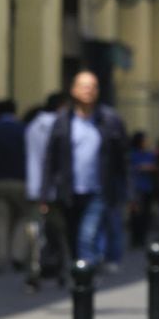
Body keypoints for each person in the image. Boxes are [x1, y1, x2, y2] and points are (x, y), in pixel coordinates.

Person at [41, 71, 128, 269]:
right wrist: (45, 194)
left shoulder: (109, 120)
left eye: (93, 86)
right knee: (72, 236)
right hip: (69, 192)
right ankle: (80, 272)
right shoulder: (63, 120)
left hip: (98, 190)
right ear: (73, 90)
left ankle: (87, 274)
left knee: (87, 235)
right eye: (84, 86)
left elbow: (123, 158)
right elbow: (50, 159)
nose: (88, 90)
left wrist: (128, 191)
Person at [24, 93, 68, 290]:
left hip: (34, 188)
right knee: (60, 233)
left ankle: (33, 274)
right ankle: (63, 271)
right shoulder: (60, 125)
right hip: (54, 190)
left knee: (35, 234)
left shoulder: (32, 126)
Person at [0, 99, 27, 272]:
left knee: (0, 220)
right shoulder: (22, 130)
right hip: (20, 181)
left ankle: (0, 256)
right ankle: (18, 254)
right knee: (24, 216)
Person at [128, 131, 158, 248]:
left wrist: (146, 167)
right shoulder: (133, 153)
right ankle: (135, 239)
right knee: (136, 216)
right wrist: (144, 167)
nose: (147, 142)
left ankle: (142, 239)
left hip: (147, 189)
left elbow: (154, 166)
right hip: (136, 189)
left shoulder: (149, 154)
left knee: (146, 215)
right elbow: (134, 168)